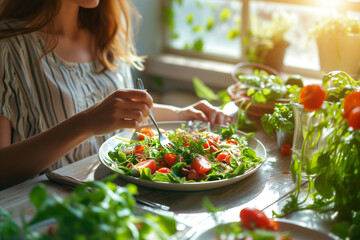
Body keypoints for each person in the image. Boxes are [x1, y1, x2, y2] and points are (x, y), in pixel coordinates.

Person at [0, 0, 232, 189]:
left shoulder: (106, 34)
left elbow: (124, 114)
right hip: (49, 213)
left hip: (120, 199)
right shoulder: (8, 47)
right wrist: (85, 124)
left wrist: (181, 113)